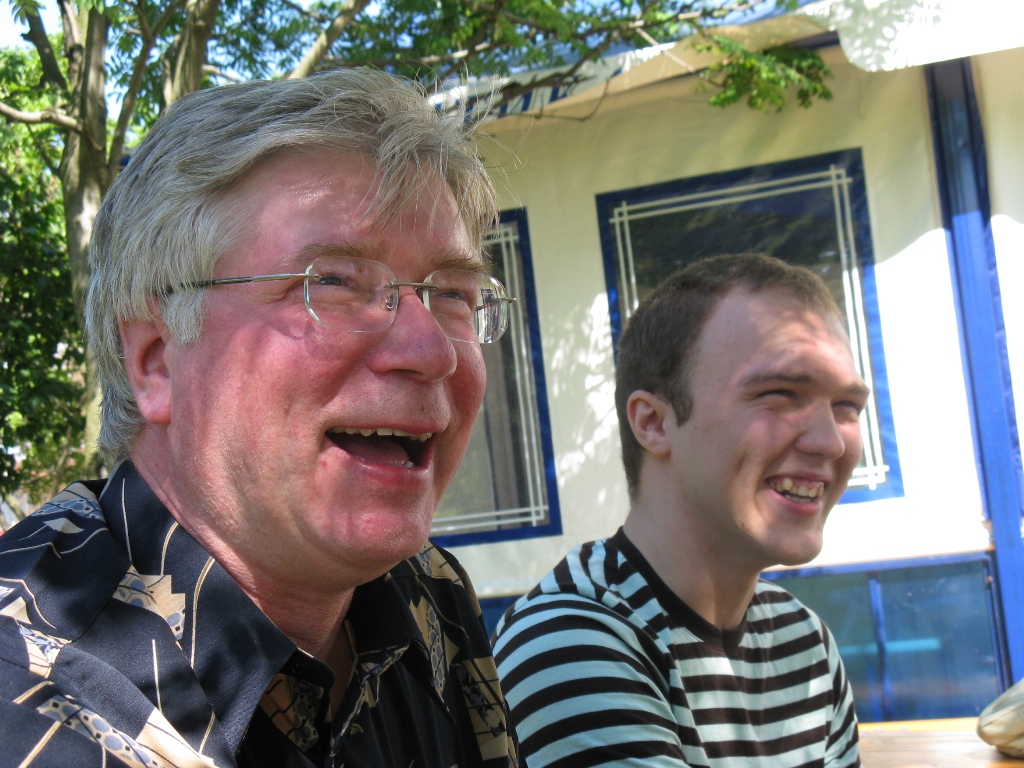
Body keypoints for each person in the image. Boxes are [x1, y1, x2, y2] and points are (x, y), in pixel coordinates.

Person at [0, 69, 519, 768]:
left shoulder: (429, 595)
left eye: (453, 293)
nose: (431, 351)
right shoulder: (32, 695)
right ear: (156, 362)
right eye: (333, 282)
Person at [493, 253, 865, 768]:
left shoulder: (804, 641)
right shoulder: (566, 642)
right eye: (780, 394)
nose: (830, 442)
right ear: (653, 423)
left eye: (847, 406)